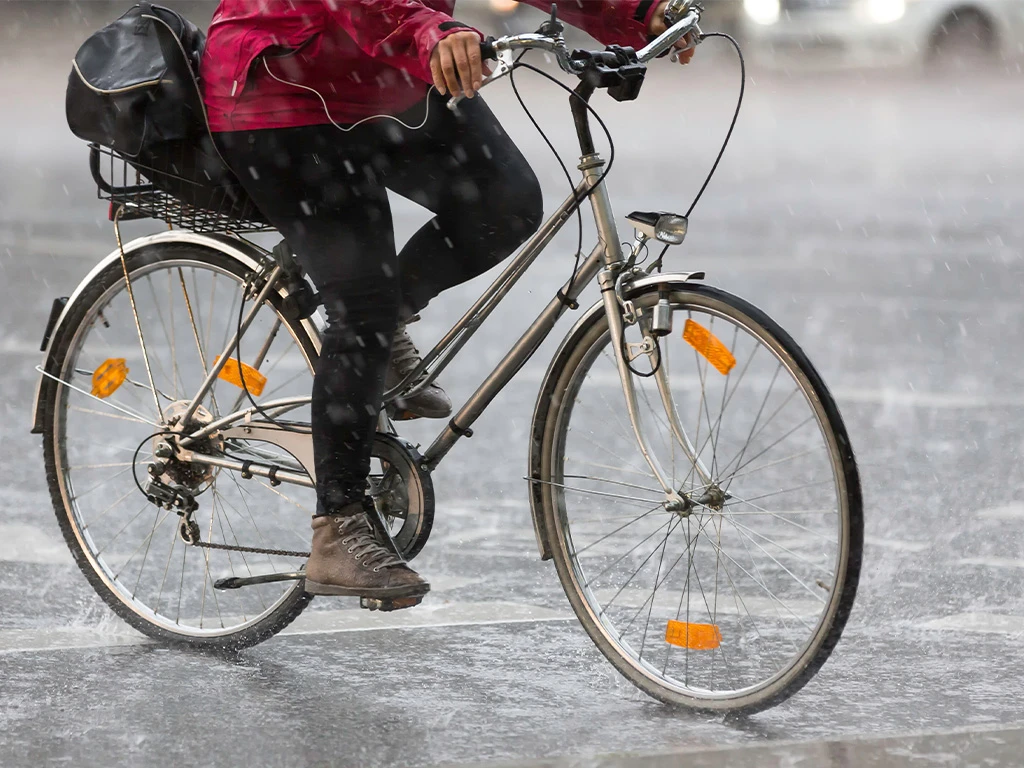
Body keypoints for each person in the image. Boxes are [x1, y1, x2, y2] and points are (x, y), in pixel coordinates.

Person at [200, 0, 695, 603]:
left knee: (504, 203)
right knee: (361, 304)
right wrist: (431, 31)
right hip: (281, 88)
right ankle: (337, 529)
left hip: (384, 75)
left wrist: (642, 12)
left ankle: (381, 331)